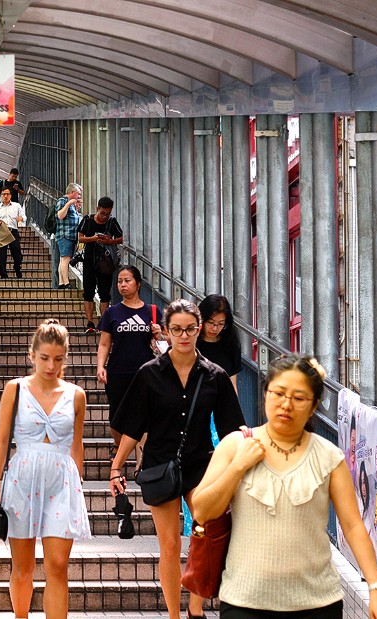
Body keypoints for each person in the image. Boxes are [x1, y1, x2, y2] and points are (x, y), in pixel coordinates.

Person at [190, 354, 377, 619]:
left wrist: (376, 590)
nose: (286, 404)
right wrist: (238, 466)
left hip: (317, 604)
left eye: (299, 398)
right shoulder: (235, 445)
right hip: (244, 602)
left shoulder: (329, 457)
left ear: (313, 406)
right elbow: (202, 511)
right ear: (265, 395)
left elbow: (354, 526)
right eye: (278, 393)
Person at [109, 299, 244, 619]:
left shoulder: (214, 376)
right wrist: (116, 466)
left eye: (190, 329)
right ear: (166, 332)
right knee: (168, 545)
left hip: (201, 466)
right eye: (177, 329)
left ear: (198, 330)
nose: (184, 336)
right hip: (160, 464)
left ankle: (195, 610)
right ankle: (173, 614)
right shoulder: (149, 374)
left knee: (204, 533)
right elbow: (133, 426)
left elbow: (232, 430)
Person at [0, 320, 90, 619]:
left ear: (65, 358)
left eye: (58, 359)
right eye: (44, 358)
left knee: (57, 567)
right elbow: (1, 442)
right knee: (23, 567)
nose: (51, 365)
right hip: (22, 479)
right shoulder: (15, 389)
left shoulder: (76, 395)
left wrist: (77, 486)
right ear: (32, 355)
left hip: (61, 482)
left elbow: (76, 444)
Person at [96, 266, 163, 455]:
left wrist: (159, 334)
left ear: (138, 284)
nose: (123, 285)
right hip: (118, 371)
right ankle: (120, 447)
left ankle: (142, 459)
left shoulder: (153, 311)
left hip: (146, 372)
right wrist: (101, 366)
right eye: (119, 281)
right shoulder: (112, 313)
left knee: (145, 414)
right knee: (116, 416)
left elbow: (167, 343)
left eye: (127, 280)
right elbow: (104, 344)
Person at [77, 197, 123, 333]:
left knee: (105, 293)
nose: (105, 216)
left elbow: (122, 238)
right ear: (97, 209)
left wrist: (109, 241)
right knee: (88, 292)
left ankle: (103, 323)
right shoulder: (88, 220)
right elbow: (80, 237)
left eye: (108, 213)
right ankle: (90, 322)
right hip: (89, 260)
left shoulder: (111, 222)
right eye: (103, 213)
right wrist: (94, 238)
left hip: (106, 262)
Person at [196, 294, 242, 391]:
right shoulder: (192, 341)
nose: (214, 328)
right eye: (210, 322)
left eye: (221, 324)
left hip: (221, 403)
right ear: (201, 319)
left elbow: (232, 385)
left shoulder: (230, 344)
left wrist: (234, 405)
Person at [0, 186, 26, 278]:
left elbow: (24, 217)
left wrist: (21, 218)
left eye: (7, 194)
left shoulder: (16, 206)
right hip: (1, 231)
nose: (5, 196)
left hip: (13, 231)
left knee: (17, 253)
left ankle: (17, 267)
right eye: (3, 194)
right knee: (2, 254)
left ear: (11, 195)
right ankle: (3, 274)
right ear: (1, 196)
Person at [54, 183, 83, 289]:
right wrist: (69, 203)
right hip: (65, 234)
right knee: (65, 259)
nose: (79, 197)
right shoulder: (63, 201)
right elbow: (60, 215)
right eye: (78, 194)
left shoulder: (72, 204)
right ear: (72, 193)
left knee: (63, 259)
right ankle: (66, 283)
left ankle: (61, 283)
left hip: (70, 235)